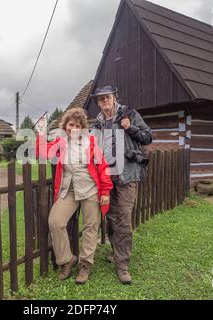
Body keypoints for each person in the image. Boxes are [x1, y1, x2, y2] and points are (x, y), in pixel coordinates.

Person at [36, 107, 113, 284]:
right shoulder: (60, 142)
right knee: (55, 222)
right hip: (68, 190)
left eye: (78, 125)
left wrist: (105, 191)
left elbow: (102, 167)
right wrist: (41, 133)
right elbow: (42, 153)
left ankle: (85, 265)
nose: (74, 128)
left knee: (91, 226)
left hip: (90, 190)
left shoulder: (91, 142)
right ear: (65, 126)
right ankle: (67, 260)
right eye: (71, 124)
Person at [90, 85, 152, 285]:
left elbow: (147, 137)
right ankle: (116, 253)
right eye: (100, 99)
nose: (104, 101)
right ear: (98, 103)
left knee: (123, 220)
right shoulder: (98, 123)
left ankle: (122, 264)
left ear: (114, 97)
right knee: (110, 217)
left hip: (126, 176)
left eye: (107, 97)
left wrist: (130, 127)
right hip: (107, 178)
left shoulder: (129, 114)